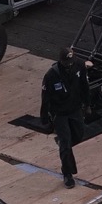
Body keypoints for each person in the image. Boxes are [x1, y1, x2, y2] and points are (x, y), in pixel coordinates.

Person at [41, 50, 90, 189]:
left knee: (79, 135)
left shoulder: (79, 65)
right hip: (59, 113)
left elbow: (84, 85)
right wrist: (45, 120)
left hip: (75, 109)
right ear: (61, 61)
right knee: (66, 144)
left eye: (71, 62)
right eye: (66, 63)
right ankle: (67, 173)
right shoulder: (51, 75)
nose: (69, 65)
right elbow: (45, 98)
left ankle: (64, 145)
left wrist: (87, 104)